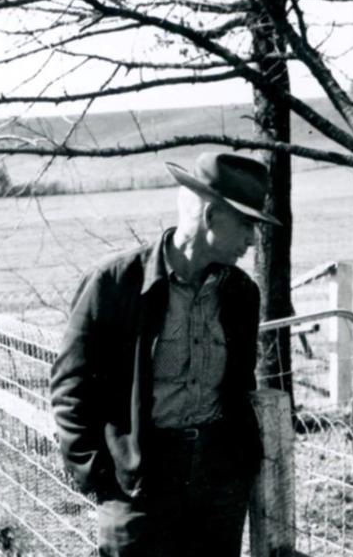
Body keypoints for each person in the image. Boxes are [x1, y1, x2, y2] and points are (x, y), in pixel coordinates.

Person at [50, 151, 281, 556]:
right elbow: (71, 387)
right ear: (210, 217)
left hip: (218, 484)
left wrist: (235, 469)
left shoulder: (241, 294)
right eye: (246, 224)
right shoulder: (115, 283)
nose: (252, 239)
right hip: (138, 484)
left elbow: (239, 385)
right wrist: (102, 478)